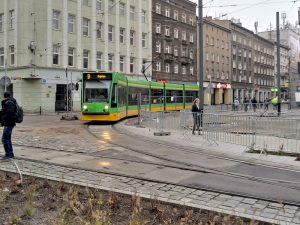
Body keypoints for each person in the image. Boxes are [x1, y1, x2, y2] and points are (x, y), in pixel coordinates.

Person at [1, 92, 17, 159]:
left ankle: (8, 154)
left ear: (5, 96)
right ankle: (10, 153)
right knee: (7, 138)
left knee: (4, 139)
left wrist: (2, 117)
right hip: (9, 123)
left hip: (9, 123)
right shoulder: (11, 101)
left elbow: (9, 112)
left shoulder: (9, 102)